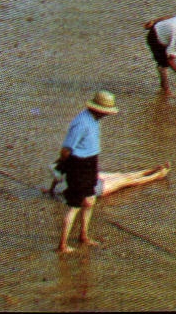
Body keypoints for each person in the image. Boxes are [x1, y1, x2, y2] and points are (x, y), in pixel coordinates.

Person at [57, 90, 119, 254]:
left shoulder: (94, 120)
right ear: (97, 109)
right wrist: (63, 166)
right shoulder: (82, 123)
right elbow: (66, 150)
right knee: (74, 206)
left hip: (91, 162)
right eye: (105, 112)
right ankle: (62, 245)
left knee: (90, 200)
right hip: (78, 164)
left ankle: (83, 235)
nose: (106, 115)